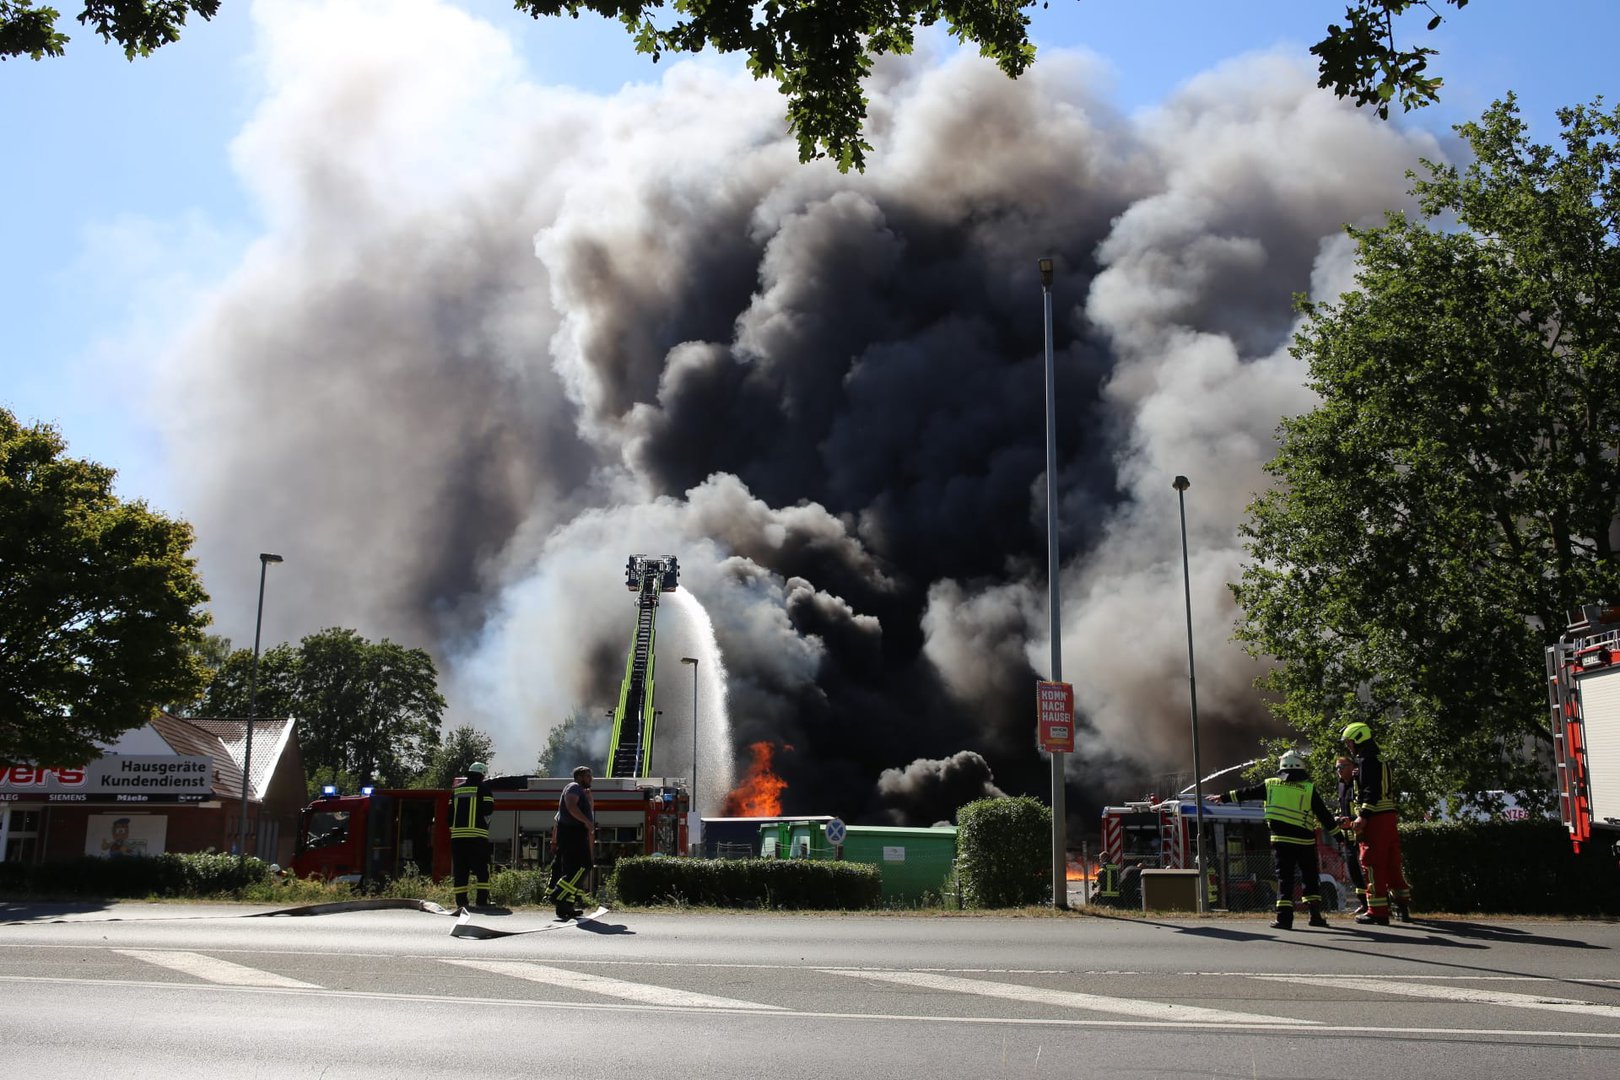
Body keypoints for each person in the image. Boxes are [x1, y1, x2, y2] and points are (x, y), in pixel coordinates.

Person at [1211, 750, 1337, 930]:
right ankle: (1315, 916)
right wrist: (1340, 836)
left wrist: (1223, 797)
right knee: (1310, 877)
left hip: (1281, 841)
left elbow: (1247, 792)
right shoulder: (1309, 789)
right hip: (1305, 842)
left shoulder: (1271, 785)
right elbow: (1324, 816)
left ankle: (1284, 919)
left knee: (1285, 879)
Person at [1341, 722, 1412, 926]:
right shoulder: (1379, 758)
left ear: (1359, 739)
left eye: (1350, 742)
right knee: (1392, 862)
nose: (1349, 746)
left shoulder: (1366, 760)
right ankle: (1402, 905)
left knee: (1372, 862)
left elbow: (1370, 790)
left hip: (1375, 818)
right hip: (1389, 816)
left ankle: (1377, 911)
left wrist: (1363, 816)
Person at [551, 765, 597, 919]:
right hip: (572, 834)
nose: (591, 779)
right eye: (588, 776)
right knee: (584, 866)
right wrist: (587, 822)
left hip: (575, 834)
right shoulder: (573, 787)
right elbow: (571, 806)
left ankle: (565, 906)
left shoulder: (581, 791)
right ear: (579, 777)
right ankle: (558, 894)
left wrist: (589, 801)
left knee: (572, 870)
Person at [449, 761, 495, 912]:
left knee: (460, 871)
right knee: (481, 870)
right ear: (482, 774)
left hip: (457, 838)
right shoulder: (484, 789)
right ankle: (481, 901)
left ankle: (461, 902)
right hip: (477, 836)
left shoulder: (456, 790)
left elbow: (449, 814)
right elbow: (488, 810)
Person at [1334, 755, 1369, 916]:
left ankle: (1377, 903)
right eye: (1337, 768)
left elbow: (1365, 807)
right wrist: (1338, 818)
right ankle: (1364, 903)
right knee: (1353, 871)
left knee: (1367, 869)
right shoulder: (1341, 785)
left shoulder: (1358, 781)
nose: (1339, 770)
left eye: (1342, 767)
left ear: (1352, 766)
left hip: (1362, 833)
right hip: (1348, 835)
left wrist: (1353, 820)